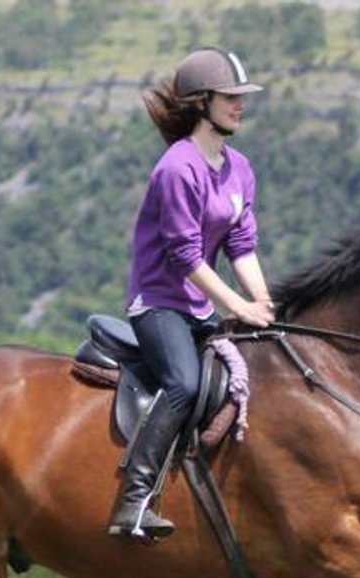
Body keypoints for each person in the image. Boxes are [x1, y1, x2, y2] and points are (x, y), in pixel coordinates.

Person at [109, 46, 276, 539]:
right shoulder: (178, 168)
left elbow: (242, 245)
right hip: (159, 304)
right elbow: (185, 258)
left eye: (242, 97)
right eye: (231, 97)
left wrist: (265, 304)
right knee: (182, 382)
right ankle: (133, 499)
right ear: (202, 102)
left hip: (201, 306)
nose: (240, 105)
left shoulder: (239, 168)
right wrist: (238, 306)